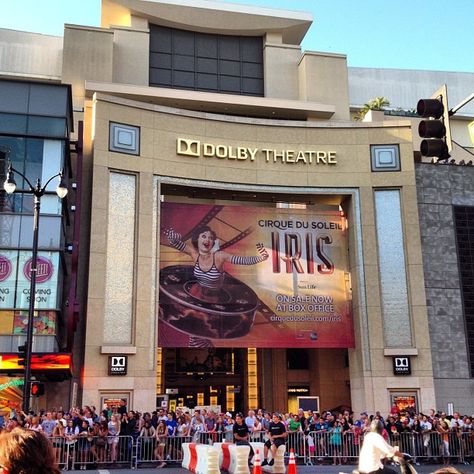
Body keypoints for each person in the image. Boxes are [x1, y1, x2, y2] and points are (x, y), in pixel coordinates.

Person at [165, 226, 269, 302]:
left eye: (210, 238)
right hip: (195, 292)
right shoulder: (195, 255)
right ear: (197, 240)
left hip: (213, 298)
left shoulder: (219, 256)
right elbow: (176, 243)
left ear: (213, 243)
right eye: (204, 236)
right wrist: (174, 237)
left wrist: (261, 258)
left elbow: (243, 260)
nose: (207, 239)